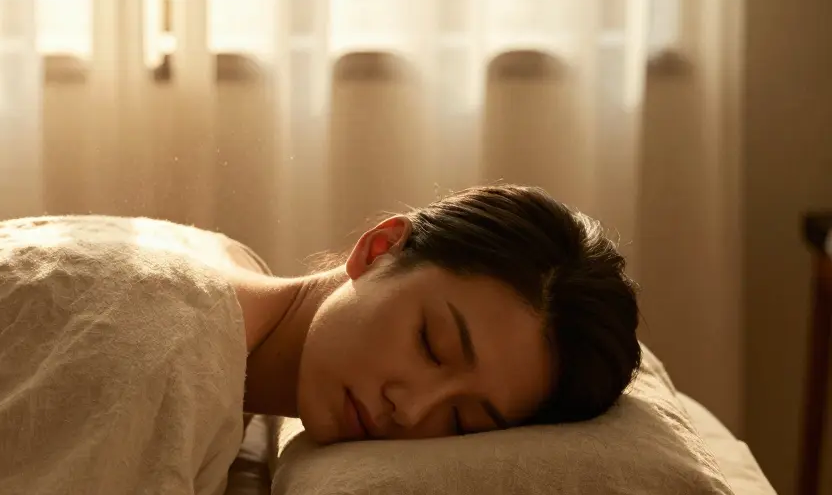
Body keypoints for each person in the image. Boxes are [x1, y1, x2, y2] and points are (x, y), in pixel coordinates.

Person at [228, 183, 641, 445]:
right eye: (431, 344)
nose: (411, 410)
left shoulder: (234, 272)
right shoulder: (183, 337)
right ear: (380, 248)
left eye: (463, 421)